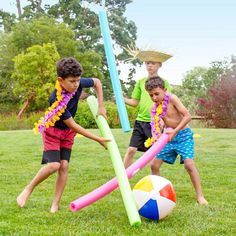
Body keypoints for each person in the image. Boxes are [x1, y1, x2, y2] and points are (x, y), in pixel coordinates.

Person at [17, 57, 110, 213]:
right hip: (52, 131)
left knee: (64, 166)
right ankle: (28, 189)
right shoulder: (56, 100)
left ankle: (55, 204)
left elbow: (97, 82)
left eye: (78, 80)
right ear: (60, 80)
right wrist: (98, 139)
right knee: (54, 165)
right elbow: (74, 125)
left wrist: (101, 106)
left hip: (67, 133)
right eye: (72, 81)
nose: (76, 84)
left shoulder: (78, 83)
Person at [145, 76, 208, 205]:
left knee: (189, 164)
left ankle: (200, 196)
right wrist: (156, 137)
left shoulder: (172, 99)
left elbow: (187, 116)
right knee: (154, 165)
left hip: (183, 135)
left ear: (164, 90)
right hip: (168, 138)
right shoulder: (155, 107)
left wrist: (175, 131)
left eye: (157, 94)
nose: (154, 97)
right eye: (151, 95)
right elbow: (156, 124)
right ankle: (158, 192)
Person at [123, 48, 172, 169]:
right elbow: (134, 102)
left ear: (159, 65)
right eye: (147, 63)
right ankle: (123, 178)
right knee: (131, 150)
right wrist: (121, 98)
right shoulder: (140, 82)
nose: (149, 65)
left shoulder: (164, 83)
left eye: (153, 63)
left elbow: (167, 103)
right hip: (140, 121)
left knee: (153, 156)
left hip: (154, 123)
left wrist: (162, 120)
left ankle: (153, 181)